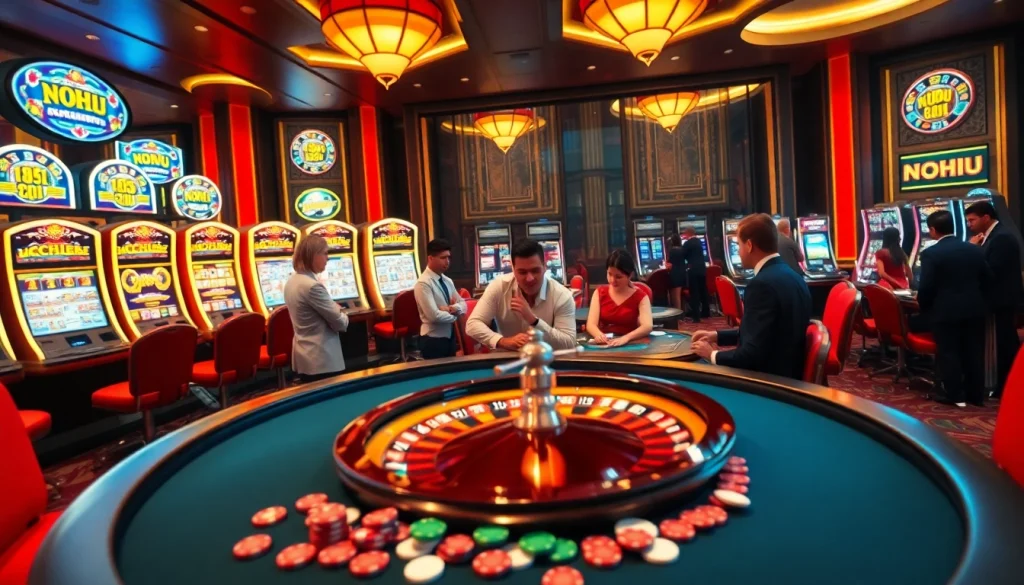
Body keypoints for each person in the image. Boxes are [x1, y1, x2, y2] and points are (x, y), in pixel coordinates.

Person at [691, 214, 812, 380]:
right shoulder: (793, 275)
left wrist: (712, 355)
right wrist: (716, 335)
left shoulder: (762, 285)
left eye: (738, 245)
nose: (738, 252)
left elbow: (750, 355)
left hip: (769, 381)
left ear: (749, 245)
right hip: (789, 371)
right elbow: (764, 334)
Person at [917, 210, 990, 407]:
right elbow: (986, 279)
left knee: (949, 352)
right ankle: (975, 396)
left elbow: (926, 287)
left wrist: (925, 308)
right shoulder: (974, 250)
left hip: (945, 310)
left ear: (933, 230)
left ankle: (955, 396)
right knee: (973, 352)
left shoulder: (931, 253)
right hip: (974, 309)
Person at [467, 239, 577, 351]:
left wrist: (534, 321)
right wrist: (502, 341)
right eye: (522, 272)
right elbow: (472, 324)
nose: (530, 278)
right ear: (513, 270)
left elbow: (568, 342)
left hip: (545, 361)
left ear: (545, 267)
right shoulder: (499, 287)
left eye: (535, 271)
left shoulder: (562, 295)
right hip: (507, 359)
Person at [965, 200, 1023, 395]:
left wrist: (973, 250)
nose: (969, 225)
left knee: (1004, 343)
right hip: (993, 299)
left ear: (986, 218)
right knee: (999, 343)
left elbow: (992, 271)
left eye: (972, 220)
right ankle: (1001, 383)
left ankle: (1007, 386)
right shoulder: (991, 236)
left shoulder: (1002, 237)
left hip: (1000, 300)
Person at [284, 234, 349, 383]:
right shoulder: (312, 286)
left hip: (305, 355)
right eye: (325, 253)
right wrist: (341, 312)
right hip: (322, 359)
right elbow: (341, 323)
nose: (328, 258)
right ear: (314, 255)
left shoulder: (292, 281)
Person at [586, 250, 653, 347]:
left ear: (630, 275)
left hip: (631, 344)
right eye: (609, 274)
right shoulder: (599, 293)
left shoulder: (640, 296)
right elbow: (591, 324)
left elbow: (647, 326)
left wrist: (625, 338)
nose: (613, 280)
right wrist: (599, 335)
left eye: (618, 277)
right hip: (605, 343)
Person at [413, 238, 466, 359]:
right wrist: (456, 315)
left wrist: (451, 308)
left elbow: (463, 304)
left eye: (448, 258)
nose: (447, 262)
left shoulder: (447, 280)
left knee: (451, 375)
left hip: (450, 336)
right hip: (432, 339)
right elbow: (433, 316)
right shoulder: (423, 283)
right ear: (430, 258)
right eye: (443, 258)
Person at [680, 227, 708, 322]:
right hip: (702, 269)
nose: (683, 235)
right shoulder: (699, 241)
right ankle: (706, 312)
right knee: (703, 292)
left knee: (694, 293)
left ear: (688, 233)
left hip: (693, 270)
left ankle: (696, 317)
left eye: (684, 233)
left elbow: (681, 255)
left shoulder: (688, 243)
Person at [666, 235, 686, 310]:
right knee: (680, 296)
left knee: (675, 296)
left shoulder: (673, 250)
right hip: (683, 273)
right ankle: (682, 314)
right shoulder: (682, 249)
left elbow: (669, 265)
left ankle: (678, 315)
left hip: (675, 274)